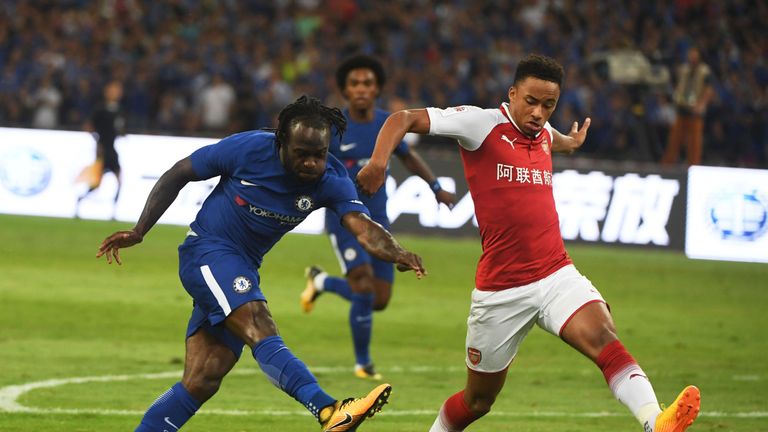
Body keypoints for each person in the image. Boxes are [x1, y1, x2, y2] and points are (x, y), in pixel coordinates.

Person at [356, 54, 700, 432]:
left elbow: (556, 138)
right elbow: (401, 118)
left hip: (556, 273)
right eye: (531, 102)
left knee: (603, 337)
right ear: (513, 93)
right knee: (477, 401)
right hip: (501, 290)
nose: (539, 113)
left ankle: (655, 422)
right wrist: (378, 163)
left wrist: (572, 141)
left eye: (548, 105)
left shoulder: (544, 133)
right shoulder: (480, 123)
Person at [96, 95, 427, 432]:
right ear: (281, 141)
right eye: (302, 154)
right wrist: (140, 230)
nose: (312, 164)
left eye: (320, 154)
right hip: (207, 253)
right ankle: (329, 411)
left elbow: (363, 227)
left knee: (204, 378)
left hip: (243, 267)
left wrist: (396, 251)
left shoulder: (332, 178)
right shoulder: (248, 149)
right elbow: (180, 171)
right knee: (258, 321)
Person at [299, 54, 456, 381]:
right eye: (354, 83)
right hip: (344, 219)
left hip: (379, 220)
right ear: (344, 90)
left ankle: (321, 282)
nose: (361, 89)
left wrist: (436, 186)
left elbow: (409, 157)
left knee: (379, 299)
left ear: (377, 89)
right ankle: (363, 363)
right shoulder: (332, 127)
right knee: (364, 286)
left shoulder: (390, 123)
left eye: (367, 83)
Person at [75, 80, 126, 219]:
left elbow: (119, 129)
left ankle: (113, 212)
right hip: (103, 150)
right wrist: (98, 142)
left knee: (120, 181)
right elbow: (89, 126)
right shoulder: (100, 109)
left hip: (113, 150)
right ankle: (80, 201)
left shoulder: (119, 110)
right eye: (114, 89)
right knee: (97, 184)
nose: (116, 92)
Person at [661, 46, 713, 166]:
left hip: (695, 111)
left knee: (694, 144)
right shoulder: (683, 69)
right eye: (690, 55)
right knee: (674, 141)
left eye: (694, 55)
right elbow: (678, 85)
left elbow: (708, 90)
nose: (692, 57)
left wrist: (701, 104)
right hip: (681, 108)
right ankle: (666, 166)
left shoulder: (704, 71)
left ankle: (693, 167)